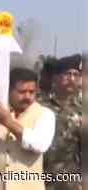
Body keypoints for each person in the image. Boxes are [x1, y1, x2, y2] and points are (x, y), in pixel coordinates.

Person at [0, 68, 56, 190]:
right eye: (22, 92)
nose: (27, 96)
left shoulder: (45, 114)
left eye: (31, 92)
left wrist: (8, 122)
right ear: (8, 90)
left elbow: (40, 145)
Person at [40, 55, 83, 190]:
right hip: (40, 177)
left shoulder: (83, 108)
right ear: (55, 77)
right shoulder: (39, 105)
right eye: (67, 74)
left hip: (69, 181)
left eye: (76, 75)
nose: (72, 79)